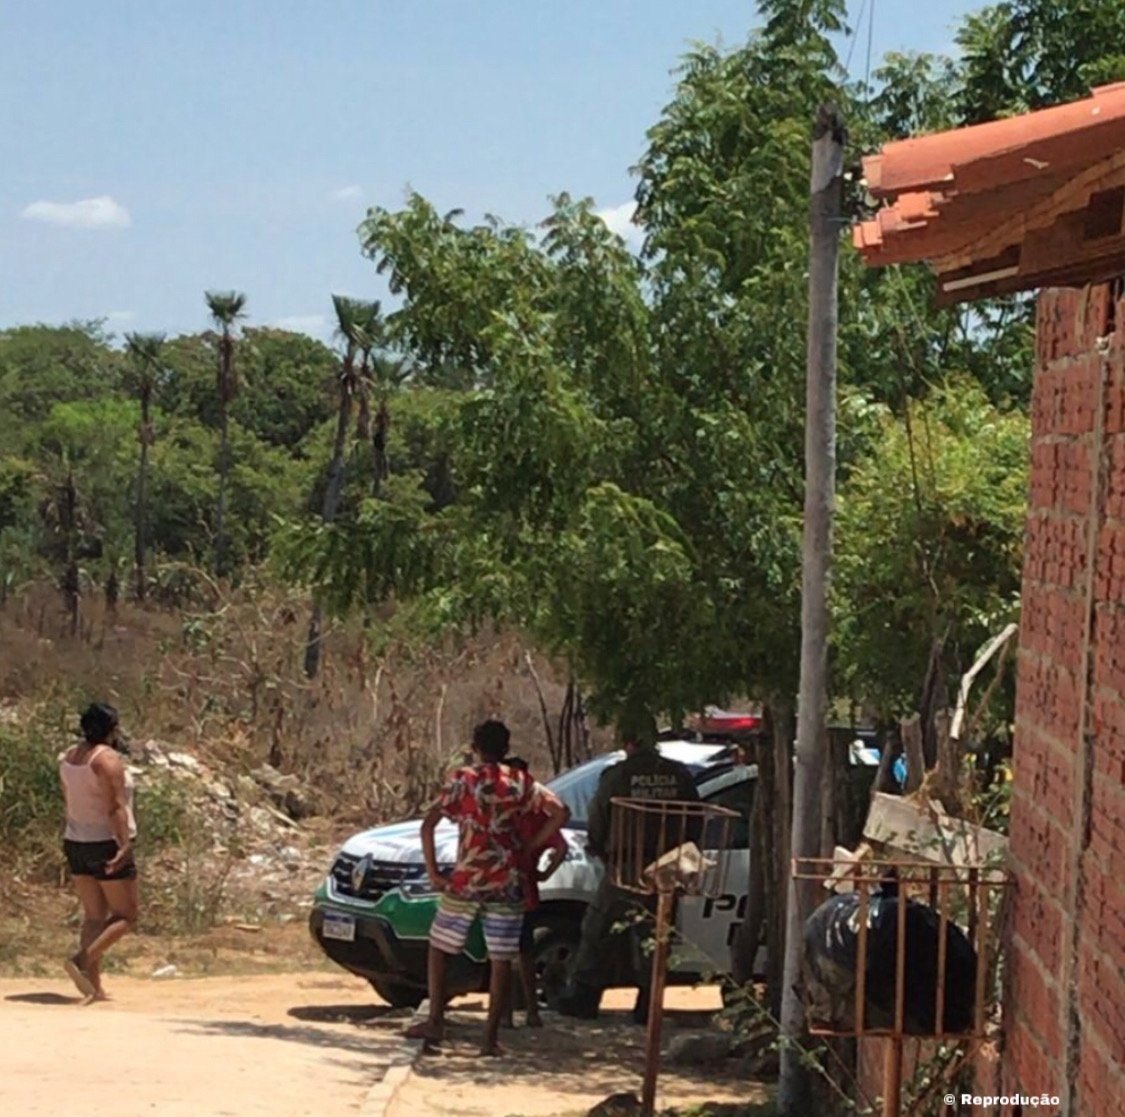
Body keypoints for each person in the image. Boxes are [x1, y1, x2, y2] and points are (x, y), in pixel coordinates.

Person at [406, 720, 569, 1055]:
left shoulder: (462, 780)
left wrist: (434, 872)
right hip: (507, 878)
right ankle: (490, 1039)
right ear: (506, 748)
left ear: (475, 747)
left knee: (440, 947)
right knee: (501, 958)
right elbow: (559, 812)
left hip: (467, 878)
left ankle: (435, 1020)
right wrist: (528, 847)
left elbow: (428, 826)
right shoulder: (521, 781)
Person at [557, 709, 698, 1022]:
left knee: (598, 930)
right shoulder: (679, 775)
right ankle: (649, 1005)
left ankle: (583, 998)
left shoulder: (617, 775)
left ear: (627, 740)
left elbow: (598, 818)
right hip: (668, 867)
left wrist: (599, 848)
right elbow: (694, 819)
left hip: (625, 866)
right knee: (656, 936)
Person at [58, 702, 139, 1002]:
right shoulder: (107, 761)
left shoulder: (69, 757)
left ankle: (93, 986)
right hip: (104, 841)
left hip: (75, 840)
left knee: (94, 916)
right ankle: (83, 959)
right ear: (112, 729)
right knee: (126, 915)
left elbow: (69, 796)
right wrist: (124, 844)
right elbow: (115, 806)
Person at [501, 756, 569, 1029]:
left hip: (502, 887)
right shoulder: (540, 814)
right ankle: (531, 1011)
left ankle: (505, 1013)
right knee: (525, 953)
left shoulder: (501, 807)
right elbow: (561, 847)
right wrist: (544, 872)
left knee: (502, 954)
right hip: (527, 889)